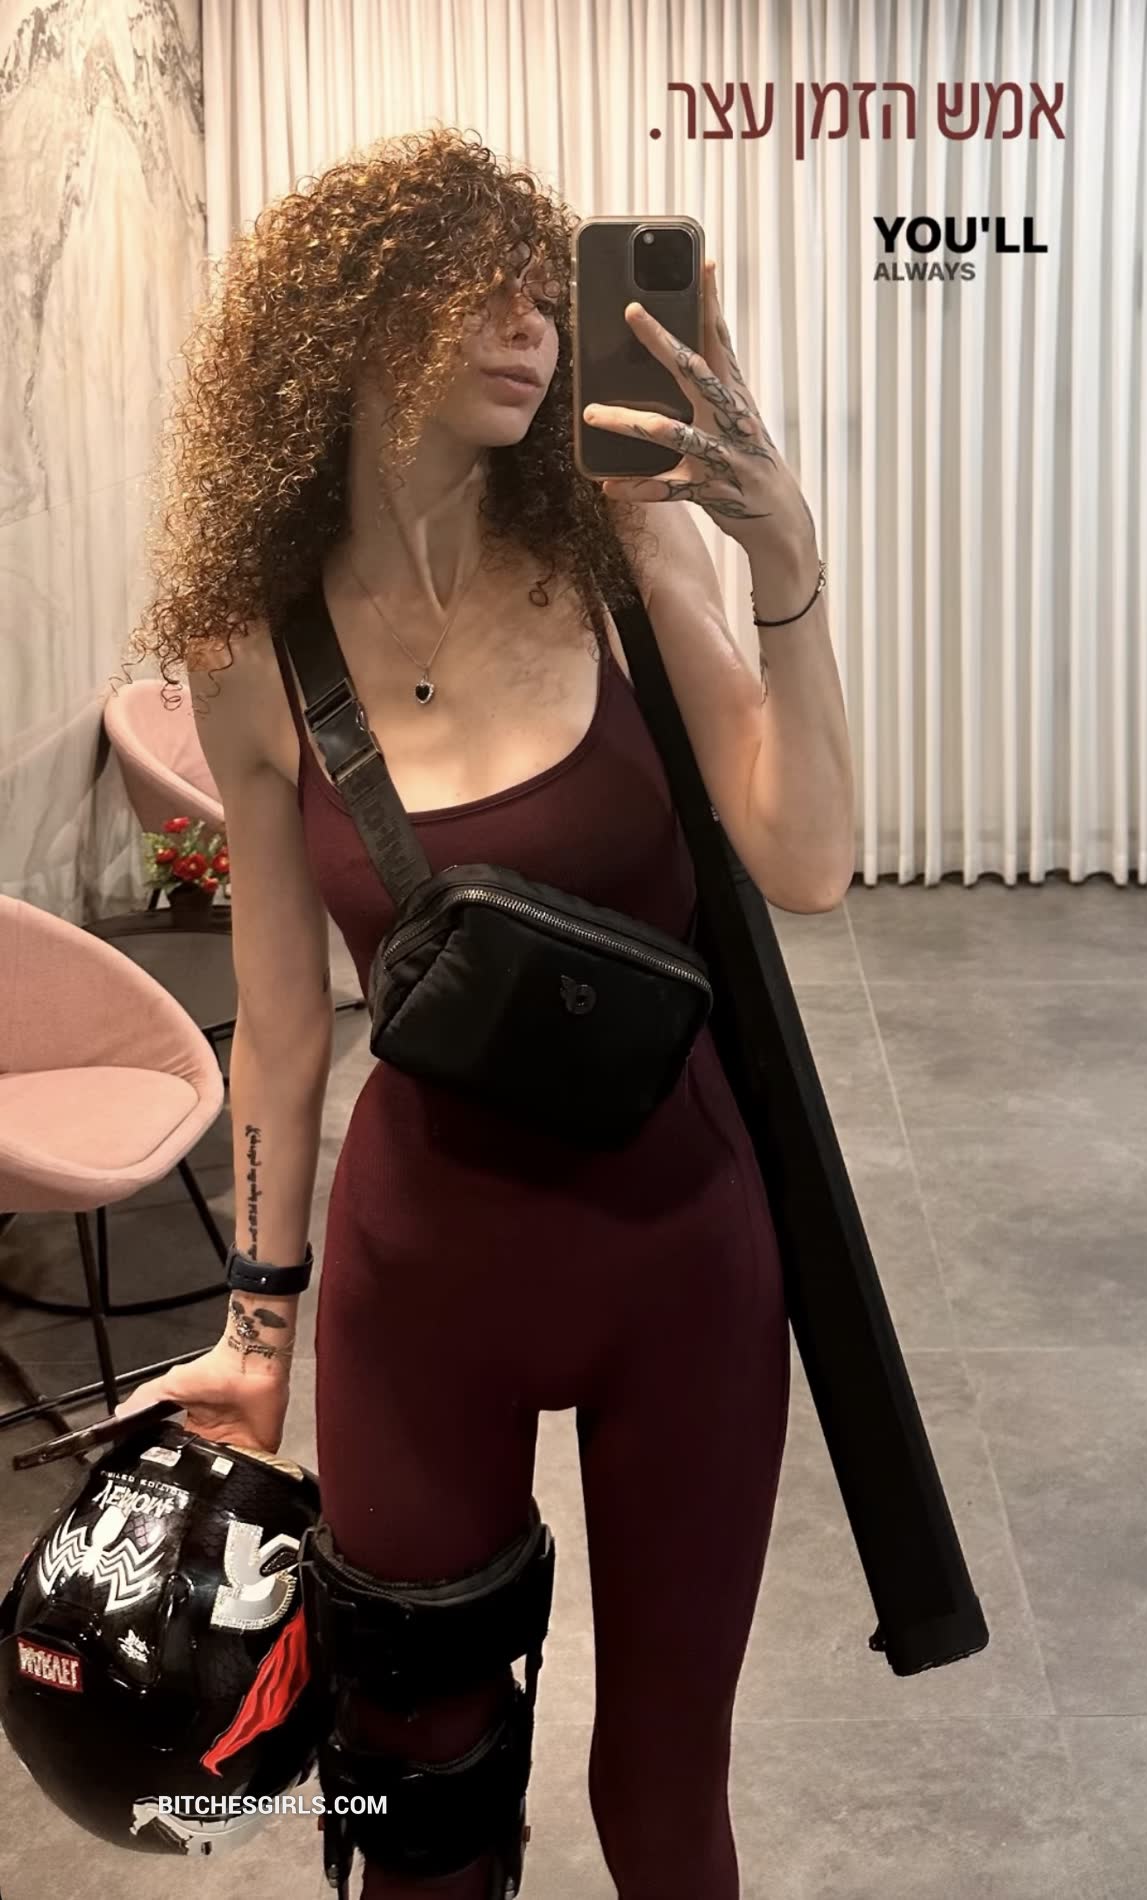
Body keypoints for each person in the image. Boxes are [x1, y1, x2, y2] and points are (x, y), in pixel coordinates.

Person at [116, 127, 854, 1900]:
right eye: (488, 294)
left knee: (663, 1799)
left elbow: (807, 859)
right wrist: (260, 1325)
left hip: (681, 1258)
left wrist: (783, 565)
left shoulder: (626, 559)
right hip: (420, 1279)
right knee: (412, 1796)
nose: (535, 329)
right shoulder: (254, 646)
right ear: (357, 322)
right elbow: (279, 1020)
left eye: (548, 297)